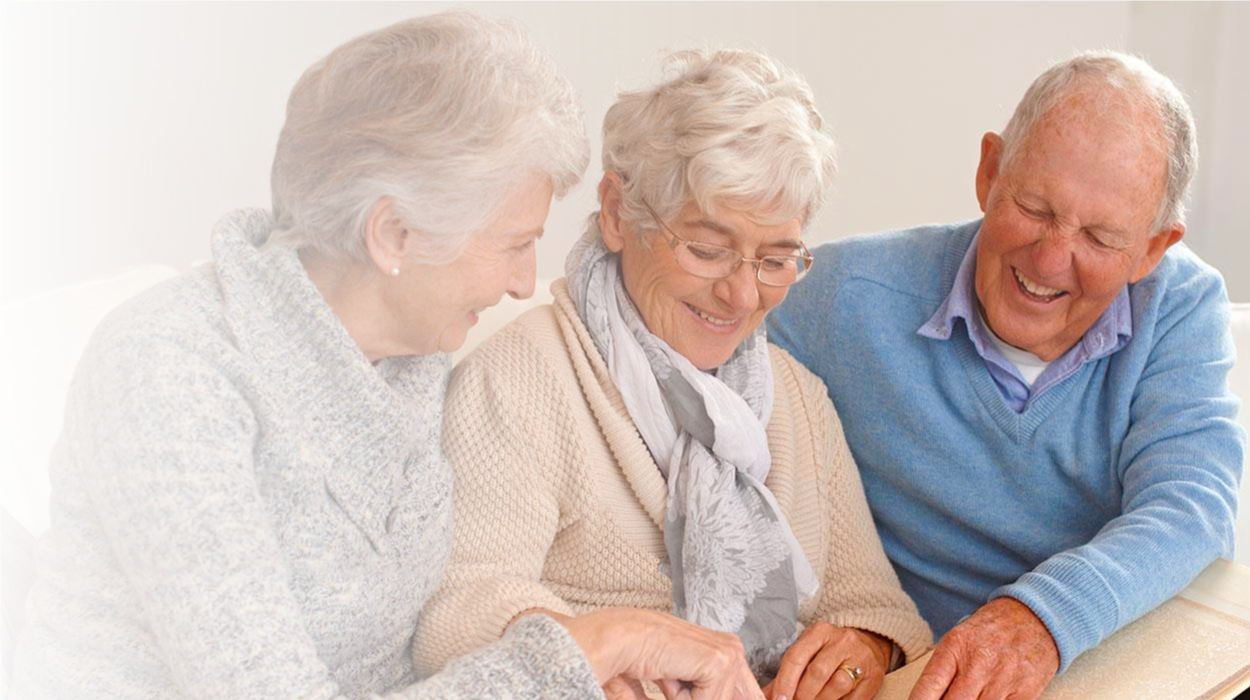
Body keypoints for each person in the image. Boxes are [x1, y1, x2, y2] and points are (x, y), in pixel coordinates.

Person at [9, 12, 766, 700]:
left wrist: (613, 657)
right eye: (513, 246)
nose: (517, 283)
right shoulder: (171, 368)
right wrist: (580, 651)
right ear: (393, 234)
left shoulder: (411, 362)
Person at [413, 49, 932, 700]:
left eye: (775, 259)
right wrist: (613, 654)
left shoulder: (797, 396)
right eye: (708, 251)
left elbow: (877, 608)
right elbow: (455, 612)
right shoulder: (523, 375)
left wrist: (861, 649)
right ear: (616, 212)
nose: (742, 295)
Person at [767, 50, 1246, 700]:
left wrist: (1041, 618)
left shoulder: (1179, 304)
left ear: (1154, 249)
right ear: (990, 172)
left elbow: (1193, 503)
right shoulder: (852, 293)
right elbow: (681, 352)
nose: (1050, 261)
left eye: (1101, 239)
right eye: (1036, 207)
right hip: (923, 670)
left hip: (1108, 661)